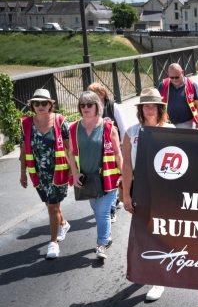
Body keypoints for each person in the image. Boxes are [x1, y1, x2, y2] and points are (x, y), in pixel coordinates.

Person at [122, 88, 174, 301]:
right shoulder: (131, 132)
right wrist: (126, 194)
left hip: (163, 191)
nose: (150, 109)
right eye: (146, 105)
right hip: (140, 190)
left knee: (159, 234)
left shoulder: (171, 130)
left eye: (153, 105)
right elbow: (126, 166)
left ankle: (158, 280)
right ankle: (149, 271)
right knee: (143, 234)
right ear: (141, 109)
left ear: (160, 108)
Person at [67, 91, 122, 260]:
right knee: (97, 210)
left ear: (97, 106)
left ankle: (101, 245)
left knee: (103, 212)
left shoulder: (108, 127)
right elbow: (69, 152)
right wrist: (74, 173)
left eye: (89, 105)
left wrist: (123, 174)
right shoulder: (74, 128)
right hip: (88, 179)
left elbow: (118, 154)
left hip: (108, 178)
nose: (85, 108)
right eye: (82, 105)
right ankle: (106, 235)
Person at [20, 89, 71, 259]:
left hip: (58, 171)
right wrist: (23, 172)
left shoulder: (60, 121)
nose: (40, 106)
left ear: (50, 104)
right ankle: (63, 223)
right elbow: (23, 149)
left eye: (44, 103)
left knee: (52, 206)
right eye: (37, 103)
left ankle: (54, 243)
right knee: (49, 203)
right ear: (32, 105)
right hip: (38, 173)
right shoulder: (26, 124)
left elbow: (69, 148)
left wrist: (74, 171)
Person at [87, 82, 127, 222]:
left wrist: (122, 148)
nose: (92, 98)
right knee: (101, 178)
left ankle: (111, 210)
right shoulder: (90, 109)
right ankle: (111, 203)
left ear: (102, 94)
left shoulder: (113, 107)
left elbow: (123, 128)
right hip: (97, 151)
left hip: (114, 150)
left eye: (95, 94)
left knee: (113, 177)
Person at [158, 63, 198, 129]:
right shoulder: (163, 85)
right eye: (172, 77)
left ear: (182, 72)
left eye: (177, 77)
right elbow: (156, 104)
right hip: (167, 123)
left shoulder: (192, 85)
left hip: (186, 123)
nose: (174, 80)